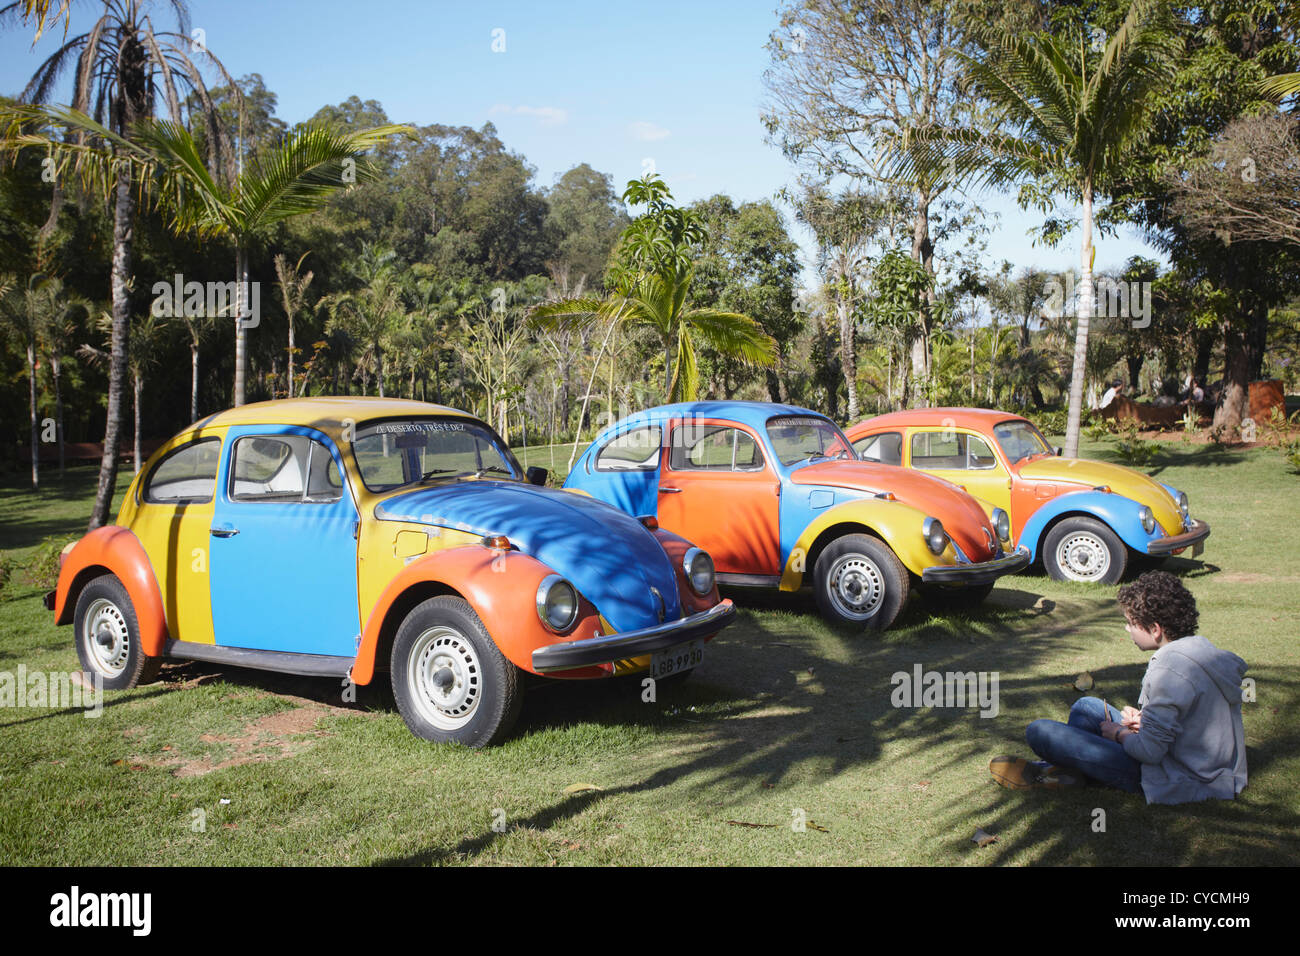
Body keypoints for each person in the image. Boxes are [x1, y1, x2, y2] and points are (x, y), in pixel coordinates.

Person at [990, 572, 1248, 804]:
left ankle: (1055, 771)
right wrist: (1144, 722)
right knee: (1086, 706)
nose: (1127, 629)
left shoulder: (1169, 669)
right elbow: (1188, 720)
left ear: (1155, 630)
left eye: (1130, 622)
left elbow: (1150, 752)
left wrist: (1119, 735)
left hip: (1177, 777)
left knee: (1040, 731)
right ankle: (1069, 773)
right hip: (1195, 761)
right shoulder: (1202, 652)